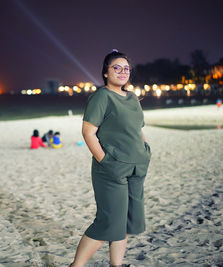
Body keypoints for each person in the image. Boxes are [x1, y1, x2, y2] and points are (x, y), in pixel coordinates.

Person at [70, 50, 151, 267]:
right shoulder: (101, 97)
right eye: (117, 67)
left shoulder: (133, 98)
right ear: (106, 72)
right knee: (108, 223)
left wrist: (145, 151)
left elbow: (137, 128)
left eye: (126, 68)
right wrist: (106, 162)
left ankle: (116, 265)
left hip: (136, 168)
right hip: (111, 170)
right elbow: (88, 133)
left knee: (125, 223)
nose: (122, 72)